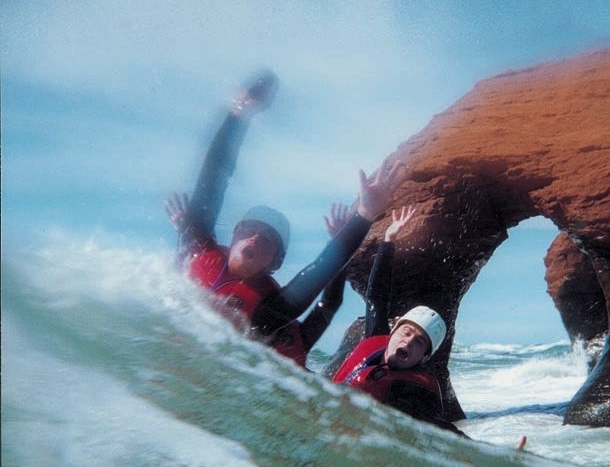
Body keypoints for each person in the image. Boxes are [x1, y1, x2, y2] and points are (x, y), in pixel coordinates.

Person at [167, 70, 405, 364]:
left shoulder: (269, 311)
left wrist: (365, 215)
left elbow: (323, 279)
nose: (255, 237)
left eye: (267, 239)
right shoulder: (196, 248)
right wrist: (239, 114)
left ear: (275, 263)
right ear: (234, 234)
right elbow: (214, 178)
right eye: (250, 229)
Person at [331, 207, 466, 435]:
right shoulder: (375, 340)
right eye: (406, 332)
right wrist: (389, 240)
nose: (410, 341)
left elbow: (445, 432)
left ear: (424, 357)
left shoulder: (418, 392)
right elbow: (377, 296)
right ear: (393, 333)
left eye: (420, 342)